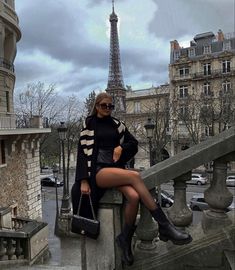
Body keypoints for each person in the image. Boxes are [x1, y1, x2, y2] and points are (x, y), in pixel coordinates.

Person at [71, 92, 192, 266]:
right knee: (135, 176)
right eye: (104, 105)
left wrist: (121, 147)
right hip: (96, 171)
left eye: (110, 106)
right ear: (97, 106)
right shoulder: (88, 124)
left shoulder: (117, 125)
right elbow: (82, 152)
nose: (108, 109)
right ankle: (164, 225)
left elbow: (133, 144)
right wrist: (83, 180)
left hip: (114, 169)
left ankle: (125, 239)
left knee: (134, 197)